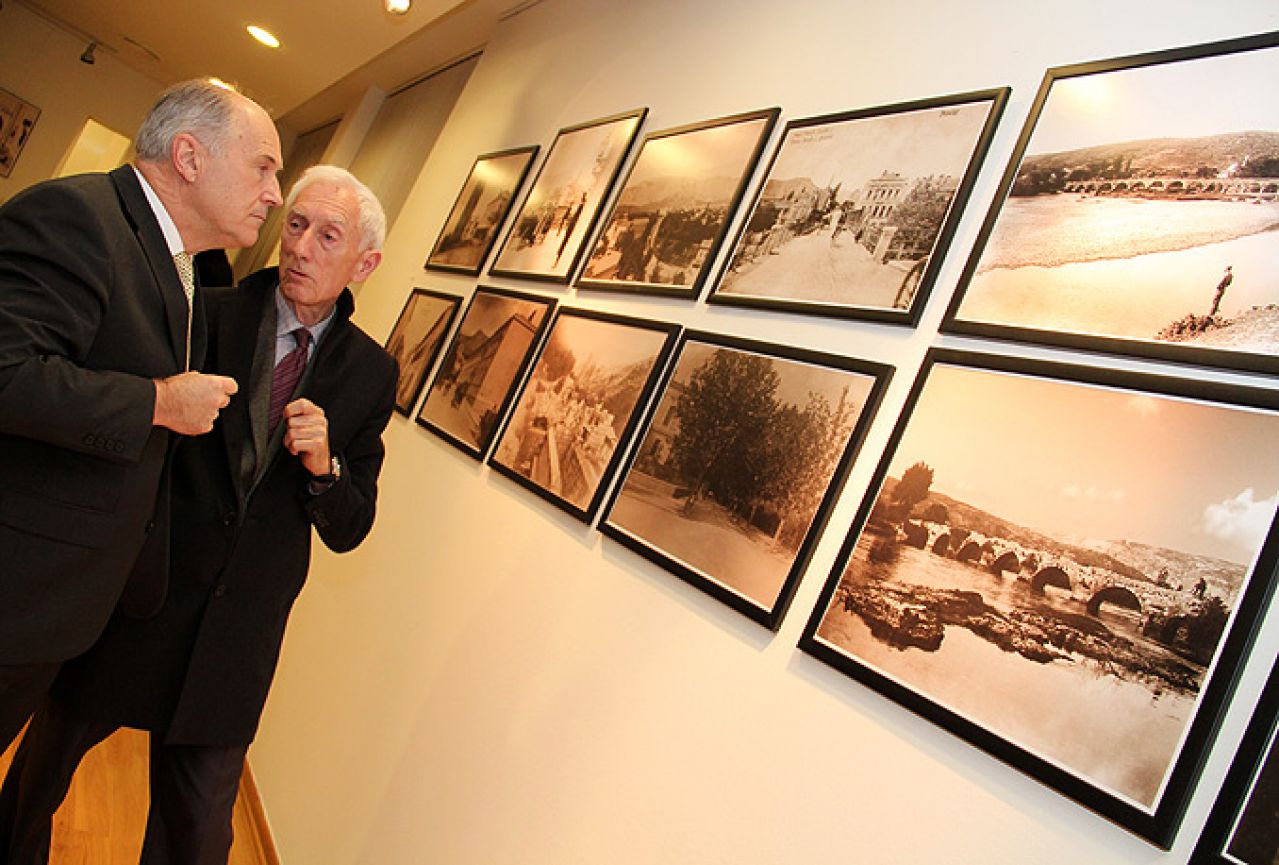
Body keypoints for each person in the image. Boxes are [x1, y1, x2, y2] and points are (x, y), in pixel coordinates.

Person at [0, 165, 398, 865]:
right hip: (141, 597)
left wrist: (325, 468)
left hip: (238, 635)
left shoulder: (372, 373)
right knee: (40, 780)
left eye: (326, 235)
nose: (300, 246)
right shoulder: (202, 314)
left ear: (364, 262)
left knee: (200, 829)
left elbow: (351, 523)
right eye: (296, 223)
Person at [0, 79, 283, 754]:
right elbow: (8, 371)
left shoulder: (186, 268)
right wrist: (157, 401)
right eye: (263, 167)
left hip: (55, 605)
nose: (275, 193)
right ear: (189, 157)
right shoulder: (77, 216)